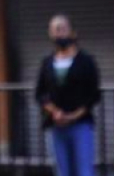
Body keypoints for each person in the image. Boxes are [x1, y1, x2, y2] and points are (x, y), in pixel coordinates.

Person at [35, 15, 101, 176]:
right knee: (62, 170)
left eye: (63, 29)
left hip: (81, 124)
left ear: (71, 32)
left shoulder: (85, 61)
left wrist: (73, 115)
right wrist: (55, 112)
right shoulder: (47, 63)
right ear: (50, 34)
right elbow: (40, 93)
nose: (60, 34)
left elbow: (93, 93)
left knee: (84, 170)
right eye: (56, 30)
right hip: (56, 125)